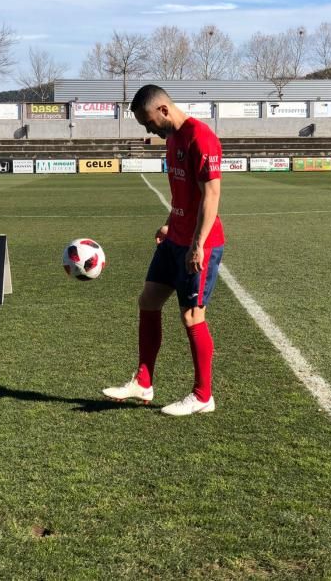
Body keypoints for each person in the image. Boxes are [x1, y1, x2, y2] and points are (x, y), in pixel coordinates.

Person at [102, 84, 225, 416]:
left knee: (192, 315)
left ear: (164, 110)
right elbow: (183, 196)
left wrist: (197, 245)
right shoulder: (171, 141)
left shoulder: (201, 138)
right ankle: (143, 380)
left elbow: (211, 195)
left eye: (149, 122)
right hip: (175, 239)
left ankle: (203, 395)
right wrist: (171, 223)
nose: (148, 129)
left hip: (199, 244)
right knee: (149, 300)